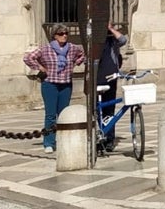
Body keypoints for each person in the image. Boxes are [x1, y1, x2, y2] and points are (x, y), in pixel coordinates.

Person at [23, 25, 86, 154]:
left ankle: (62, 139)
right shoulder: (46, 49)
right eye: (61, 33)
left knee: (63, 114)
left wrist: (76, 63)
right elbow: (28, 58)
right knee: (50, 115)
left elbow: (83, 54)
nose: (64, 35)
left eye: (66, 33)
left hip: (66, 85)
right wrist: (40, 68)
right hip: (50, 84)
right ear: (55, 35)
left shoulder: (73, 48)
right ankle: (49, 142)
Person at [96, 23, 129, 149]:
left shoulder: (113, 41)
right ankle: (102, 134)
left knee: (109, 110)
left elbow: (123, 39)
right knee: (97, 110)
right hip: (98, 79)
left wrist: (110, 29)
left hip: (111, 79)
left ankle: (109, 138)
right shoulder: (95, 42)